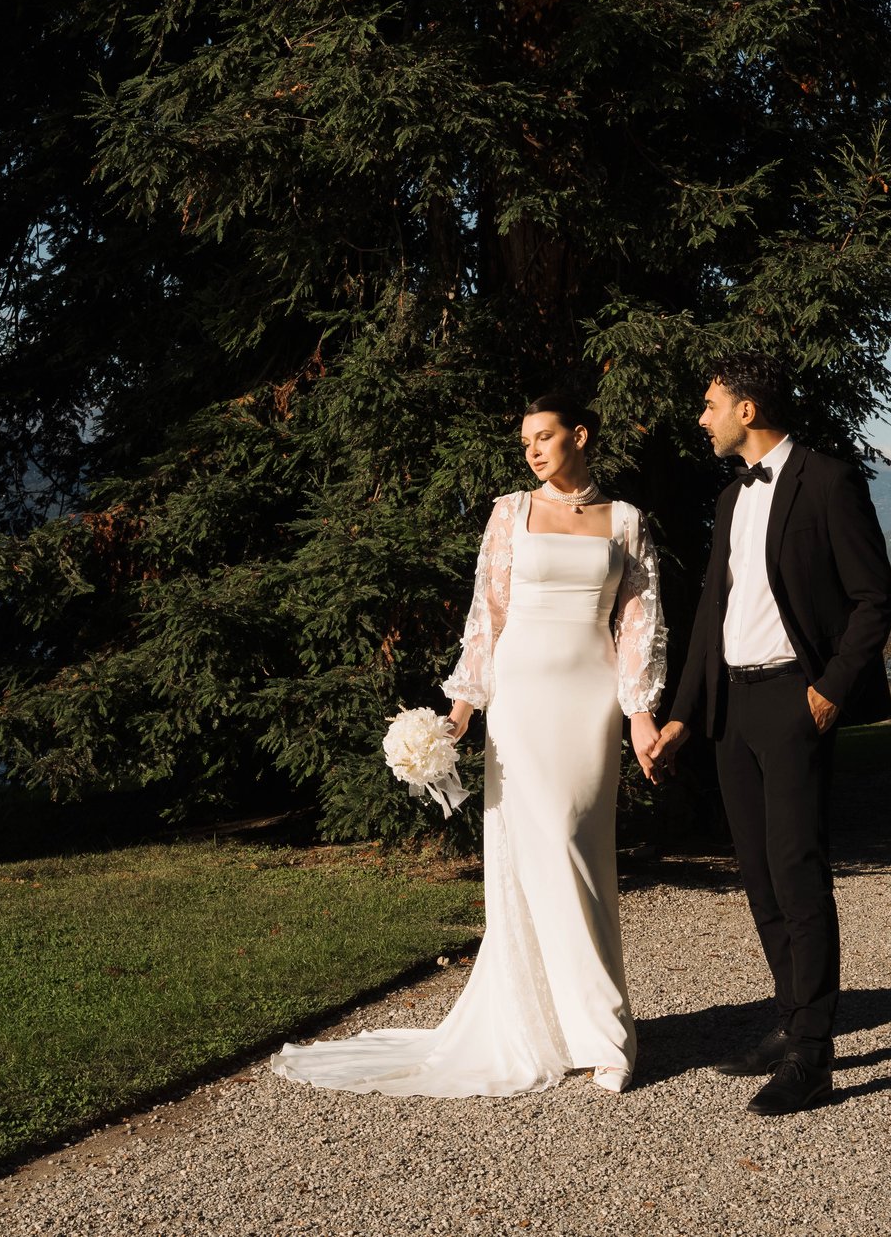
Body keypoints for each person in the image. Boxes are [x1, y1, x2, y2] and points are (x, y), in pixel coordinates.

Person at [269, 395, 668, 1096]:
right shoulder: (510, 512)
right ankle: (593, 1033)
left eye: (544, 436)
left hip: (590, 700)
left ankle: (591, 1025)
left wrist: (640, 715)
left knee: (581, 844)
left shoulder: (626, 520)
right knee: (543, 846)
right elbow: (488, 613)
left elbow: (640, 623)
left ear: (579, 436)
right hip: (521, 696)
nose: (532, 451)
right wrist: (460, 709)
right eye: (525, 441)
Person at [645, 354, 891, 1115]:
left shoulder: (827, 480)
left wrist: (829, 690)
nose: (703, 417)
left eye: (710, 404)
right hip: (732, 708)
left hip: (795, 699)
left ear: (746, 409)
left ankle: (813, 1056)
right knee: (758, 874)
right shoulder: (730, 497)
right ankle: (791, 1022)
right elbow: (711, 617)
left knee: (797, 871)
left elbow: (874, 597)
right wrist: (683, 714)